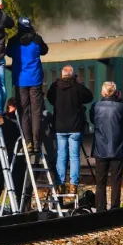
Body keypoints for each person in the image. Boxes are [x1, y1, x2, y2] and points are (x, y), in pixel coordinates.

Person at [46, 65, 93, 195]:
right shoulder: (77, 87)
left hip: (60, 127)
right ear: (73, 75)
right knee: (74, 157)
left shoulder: (55, 87)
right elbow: (89, 97)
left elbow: (50, 99)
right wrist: (80, 84)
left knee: (61, 156)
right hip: (75, 127)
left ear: (61, 75)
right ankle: (73, 184)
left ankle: (60, 184)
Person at [7, 17, 48, 154]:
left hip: (20, 80)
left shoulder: (13, 41)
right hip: (35, 80)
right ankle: (36, 143)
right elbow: (44, 50)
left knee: (23, 111)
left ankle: (28, 141)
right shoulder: (37, 39)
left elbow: (8, 52)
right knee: (36, 112)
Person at [90, 82, 123, 211]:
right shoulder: (120, 107)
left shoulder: (95, 106)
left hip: (100, 149)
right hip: (117, 148)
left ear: (103, 92)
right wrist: (120, 100)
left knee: (100, 181)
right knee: (116, 180)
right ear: (115, 92)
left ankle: (100, 208)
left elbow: (92, 120)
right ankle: (115, 207)